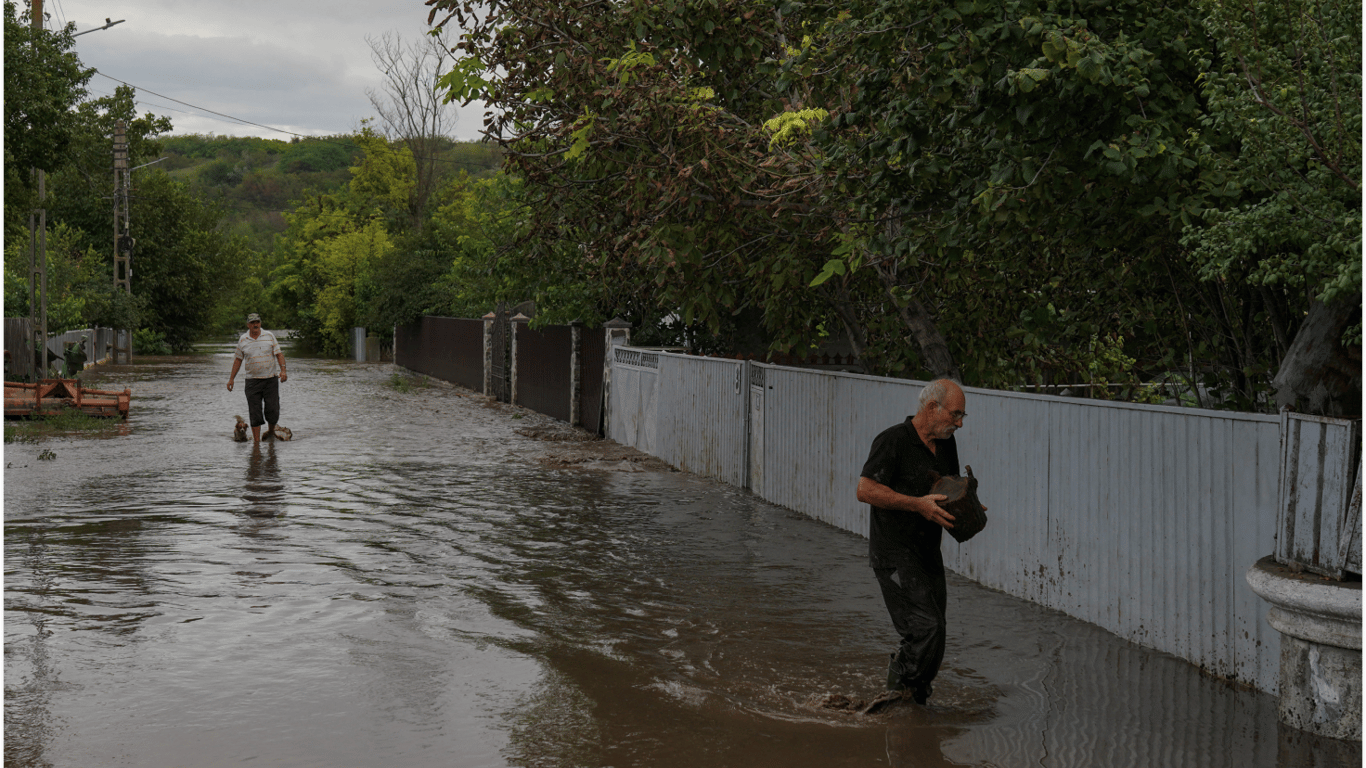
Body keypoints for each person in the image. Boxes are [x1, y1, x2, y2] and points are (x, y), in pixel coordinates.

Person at [856, 378, 979, 705]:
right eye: (955, 415)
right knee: (926, 628)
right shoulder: (893, 441)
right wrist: (916, 504)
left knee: (936, 634)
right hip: (893, 556)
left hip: (927, 554)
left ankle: (916, 700)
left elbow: (949, 487)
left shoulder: (946, 444)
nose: (960, 423)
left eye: (962, 416)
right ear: (931, 408)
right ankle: (897, 695)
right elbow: (865, 490)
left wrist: (968, 504)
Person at [227, 313, 288, 442]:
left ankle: (271, 432)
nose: (256, 325)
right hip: (252, 382)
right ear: (248, 325)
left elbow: (279, 354)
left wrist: (283, 370)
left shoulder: (269, 336)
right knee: (255, 412)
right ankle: (256, 443)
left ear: (260, 323)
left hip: (270, 379)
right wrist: (231, 378)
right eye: (253, 322)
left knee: (273, 409)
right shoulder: (243, 339)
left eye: (258, 322)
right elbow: (238, 360)